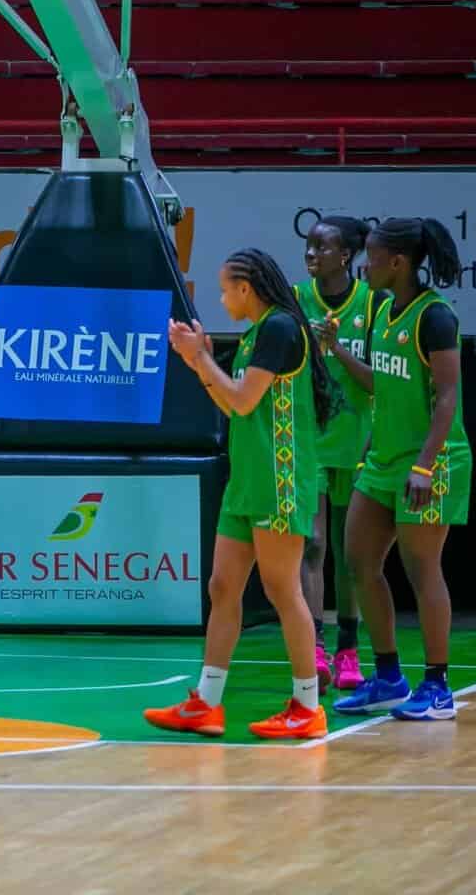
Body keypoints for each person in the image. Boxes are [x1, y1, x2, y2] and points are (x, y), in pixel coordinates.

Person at [144, 248, 340, 740]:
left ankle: (306, 706)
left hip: (279, 481)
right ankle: (206, 703)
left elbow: (241, 398)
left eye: (226, 289)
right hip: (247, 481)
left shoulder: (278, 329)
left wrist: (199, 356)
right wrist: (199, 362)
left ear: (246, 289)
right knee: (222, 587)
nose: (222, 297)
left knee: (282, 590)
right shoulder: (258, 334)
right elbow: (234, 405)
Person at [335, 218, 471, 722]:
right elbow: (383, 386)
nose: (362, 265)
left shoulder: (435, 317)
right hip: (383, 460)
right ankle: (388, 676)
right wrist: (337, 351)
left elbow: (447, 398)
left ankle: (438, 686)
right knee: (358, 561)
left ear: (398, 262)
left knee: (421, 568)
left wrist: (423, 466)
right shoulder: (383, 310)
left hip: (430, 461)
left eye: (369, 257)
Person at [294, 215, 379, 693]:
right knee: (313, 543)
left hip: (358, 441)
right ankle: (317, 648)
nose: (310, 254)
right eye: (308, 246)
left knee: (351, 553)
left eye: (321, 247)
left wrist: (336, 350)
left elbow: (378, 384)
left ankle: (350, 649)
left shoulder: (372, 305)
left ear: (345, 255)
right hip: (308, 441)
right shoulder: (293, 299)